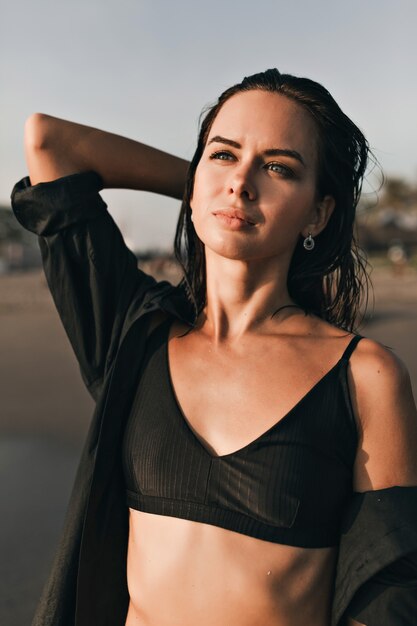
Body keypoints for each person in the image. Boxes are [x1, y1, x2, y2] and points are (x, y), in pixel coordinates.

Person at [11, 69, 417, 626]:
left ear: (318, 213)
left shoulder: (363, 376)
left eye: (278, 168)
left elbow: (388, 587)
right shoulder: (136, 336)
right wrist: (203, 187)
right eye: (223, 154)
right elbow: (48, 142)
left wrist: (220, 181)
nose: (242, 182)